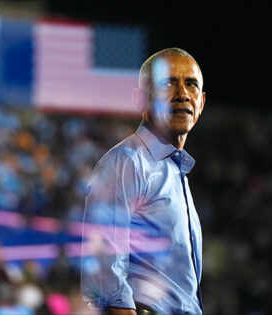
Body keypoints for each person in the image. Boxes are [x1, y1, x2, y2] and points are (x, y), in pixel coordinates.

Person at [81, 48, 206, 315]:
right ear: (140, 100)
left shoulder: (175, 171)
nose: (183, 94)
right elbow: (106, 278)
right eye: (168, 82)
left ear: (202, 102)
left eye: (191, 84)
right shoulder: (126, 162)